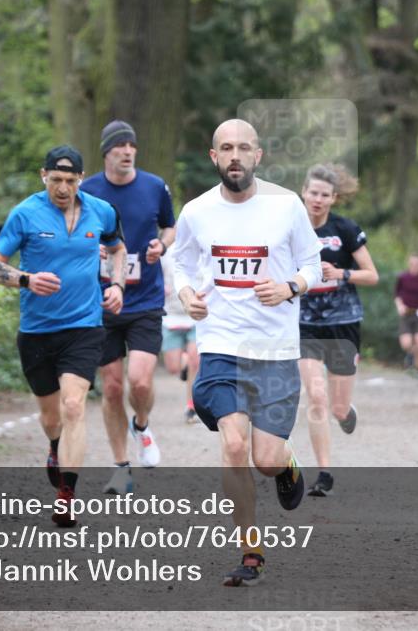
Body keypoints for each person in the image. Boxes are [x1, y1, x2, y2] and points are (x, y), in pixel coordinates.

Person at [171, 119, 322, 586]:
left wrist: (289, 286)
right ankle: (250, 550)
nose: (235, 156)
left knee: (265, 457)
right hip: (220, 347)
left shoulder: (286, 206)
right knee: (233, 445)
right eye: (226, 148)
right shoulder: (196, 212)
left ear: (259, 155)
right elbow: (180, 260)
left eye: (243, 148)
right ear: (213, 157)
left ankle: (287, 463)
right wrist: (185, 293)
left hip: (275, 350)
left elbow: (312, 264)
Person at [0, 145, 126, 527]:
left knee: (74, 406)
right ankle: (54, 446)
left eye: (70, 180)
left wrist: (116, 285)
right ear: (42, 175)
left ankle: (67, 494)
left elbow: (117, 249)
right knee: (52, 419)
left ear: (80, 179)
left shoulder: (101, 211)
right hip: (36, 332)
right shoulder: (25, 214)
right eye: (56, 179)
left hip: (84, 327)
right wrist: (26, 280)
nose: (62, 188)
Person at [80, 120, 176, 495]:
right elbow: (74, 231)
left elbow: (170, 226)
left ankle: (142, 423)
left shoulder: (154, 187)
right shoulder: (87, 190)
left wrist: (161, 246)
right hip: (102, 299)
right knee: (112, 385)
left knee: (139, 379)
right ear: (106, 151)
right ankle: (121, 467)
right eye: (119, 145)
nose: (127, 151)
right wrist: (92, 247)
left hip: (145, 298)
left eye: (131, 145)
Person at [297, 164, 379, 496]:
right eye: (313, 193)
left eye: (324, 195)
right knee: (316, 396)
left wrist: (341, 274)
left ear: (334, 198)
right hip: (304, 324)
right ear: (304, 192)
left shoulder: (344, 229)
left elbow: (372, 275)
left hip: (343, 322)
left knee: (337, 408)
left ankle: (345, 412)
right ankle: (324, 473)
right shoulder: (289, 228)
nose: (318, 200)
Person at [159, 246, 200, 423]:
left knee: (195, 359)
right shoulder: (167, 252)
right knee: (173, 368)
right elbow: (156, 277)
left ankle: (191, 406)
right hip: (171, 315)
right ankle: (184, 366)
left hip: (196, 317)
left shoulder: (203, 247)